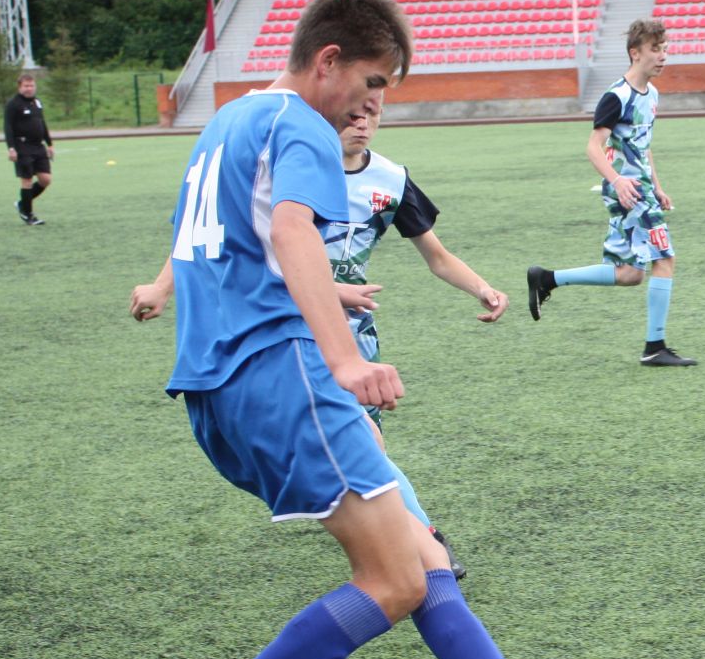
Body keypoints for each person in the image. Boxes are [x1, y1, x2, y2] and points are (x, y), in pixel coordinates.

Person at [130, 0, 642, 659]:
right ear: (326, 60)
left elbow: (224, 247)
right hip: (280, 372)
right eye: (370, 83)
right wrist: (345, 359)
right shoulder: (299, 124)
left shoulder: (229, 118)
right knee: (396, 580)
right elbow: (292, 234)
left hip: (217, 387)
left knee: (422, 554)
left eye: (387, 91)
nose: (375, 105)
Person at [132, 107, 509, 580]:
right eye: (351, 113)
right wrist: (161, 287)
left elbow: (436, 255)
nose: (361, 122)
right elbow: (214, 233)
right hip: (283, 329)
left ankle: (411, 552)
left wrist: (482, 288)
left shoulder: (392, 180)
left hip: (352, 338)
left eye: (371, 112)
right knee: (363, 447)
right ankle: (424, 549)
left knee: (368, 451)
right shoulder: (294, 166)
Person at [525, 18, 695, 366]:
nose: (663, 56)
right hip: (628, 191)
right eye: (654, 49)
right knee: (665, 260)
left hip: (640, 189)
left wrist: (658, 186)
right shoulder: (616, 96)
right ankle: (655, 347)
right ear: (635, 53)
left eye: (664, 48)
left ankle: (547, 279)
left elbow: (643, 145)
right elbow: (592, 147)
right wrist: (618, 182)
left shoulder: (653, 95)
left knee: (630, 274)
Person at [4, 73, 54, 225]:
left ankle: (22, 204)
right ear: (20, 87)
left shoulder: (37, 102)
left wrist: (50, 143)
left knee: (46, 179)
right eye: (26, 86)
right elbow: (8, 127)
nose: (29, 89)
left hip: (38, 146)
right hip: (22, 146)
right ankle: (28, 215)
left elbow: (42, 123)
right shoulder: (13, 104)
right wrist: (11, 148)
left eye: (31, 85)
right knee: (26, 180)